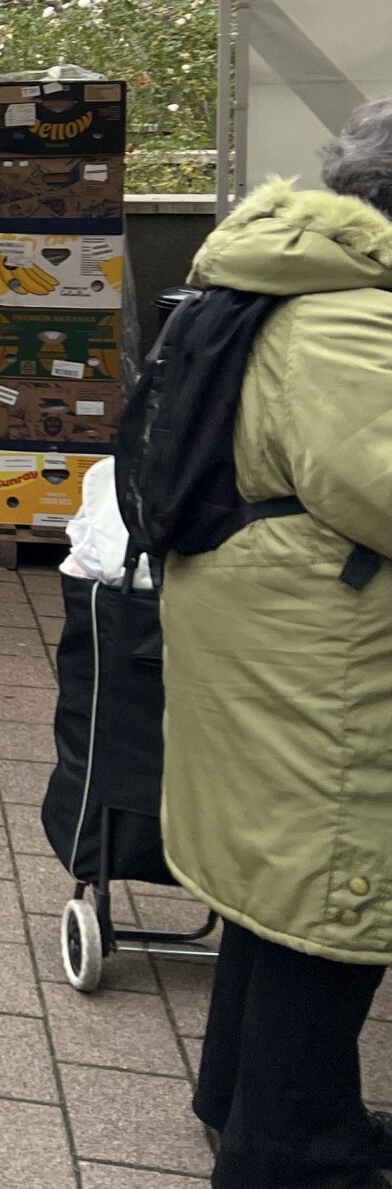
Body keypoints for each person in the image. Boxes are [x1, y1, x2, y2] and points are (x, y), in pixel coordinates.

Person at [160, 102, 392, 1189]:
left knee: (283, 884)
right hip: (326, 655)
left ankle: (252, 1106)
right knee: (335, 890)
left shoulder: (291, 279)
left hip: (271, 628)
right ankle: (294, 1156)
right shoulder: (348, 321)